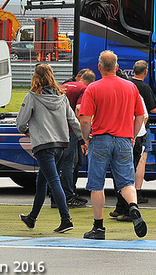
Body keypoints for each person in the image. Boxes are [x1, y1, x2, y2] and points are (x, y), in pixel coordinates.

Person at [79, 50, 147, 240]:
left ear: (99, 67)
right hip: (124, 139)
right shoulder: (131, 87)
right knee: (126, 182)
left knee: (96, 184)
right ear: (117, 67)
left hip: (100, 139)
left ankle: (98, 227)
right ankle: (133, 206)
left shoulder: (93, 88)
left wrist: (86, 138)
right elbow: (140, 115)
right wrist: (132, 136)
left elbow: (85, 119)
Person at [17, 64, 84, 233]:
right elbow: (73, 120)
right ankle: (32, 218)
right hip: (61, 144)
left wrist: (27, 131)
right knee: (42, 182)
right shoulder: (62, 97)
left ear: (36, 77)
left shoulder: (33, 96)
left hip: (44, 145)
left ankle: (66, 219)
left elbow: (20, 122)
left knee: (53, 181)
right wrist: (82, 138)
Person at [110, 60, 156, 220]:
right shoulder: (138, 90)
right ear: (146, 71)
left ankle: (121, 207)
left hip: (119, 134)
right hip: (134, 135)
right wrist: (134, 136)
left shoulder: (124, 90)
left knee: (118, 171)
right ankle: (132, 202)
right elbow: (149, 112)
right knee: (135, 166)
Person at [58, 68, 96, 207]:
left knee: (58, 163)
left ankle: (58, 194)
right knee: (70, 163)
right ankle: (68, 196)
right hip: (70, 129)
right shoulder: (84, 89)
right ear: (91, 82)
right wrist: (81, 131)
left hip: (57, 129)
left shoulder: (63, 86)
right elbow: (79, 109)